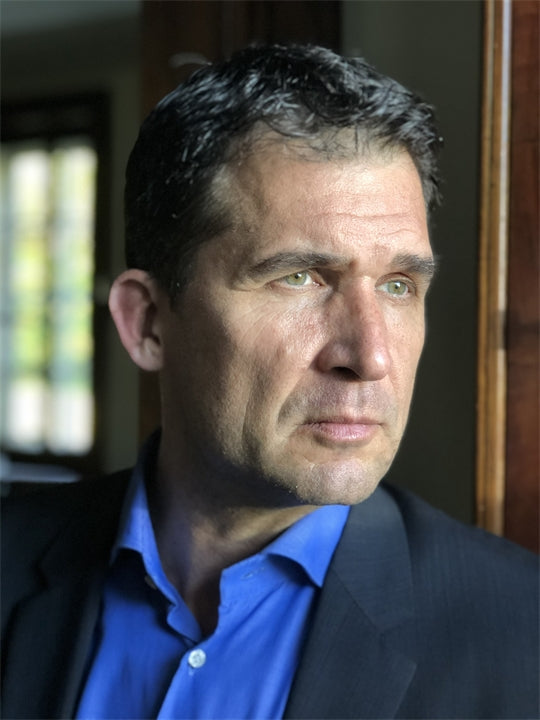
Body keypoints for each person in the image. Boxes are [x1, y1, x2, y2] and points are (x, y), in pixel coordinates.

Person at [1, 43, 538, 720]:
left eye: (399, 285)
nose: (371, 356)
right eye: (300, 277)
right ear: (148, 324)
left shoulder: (523, 637)